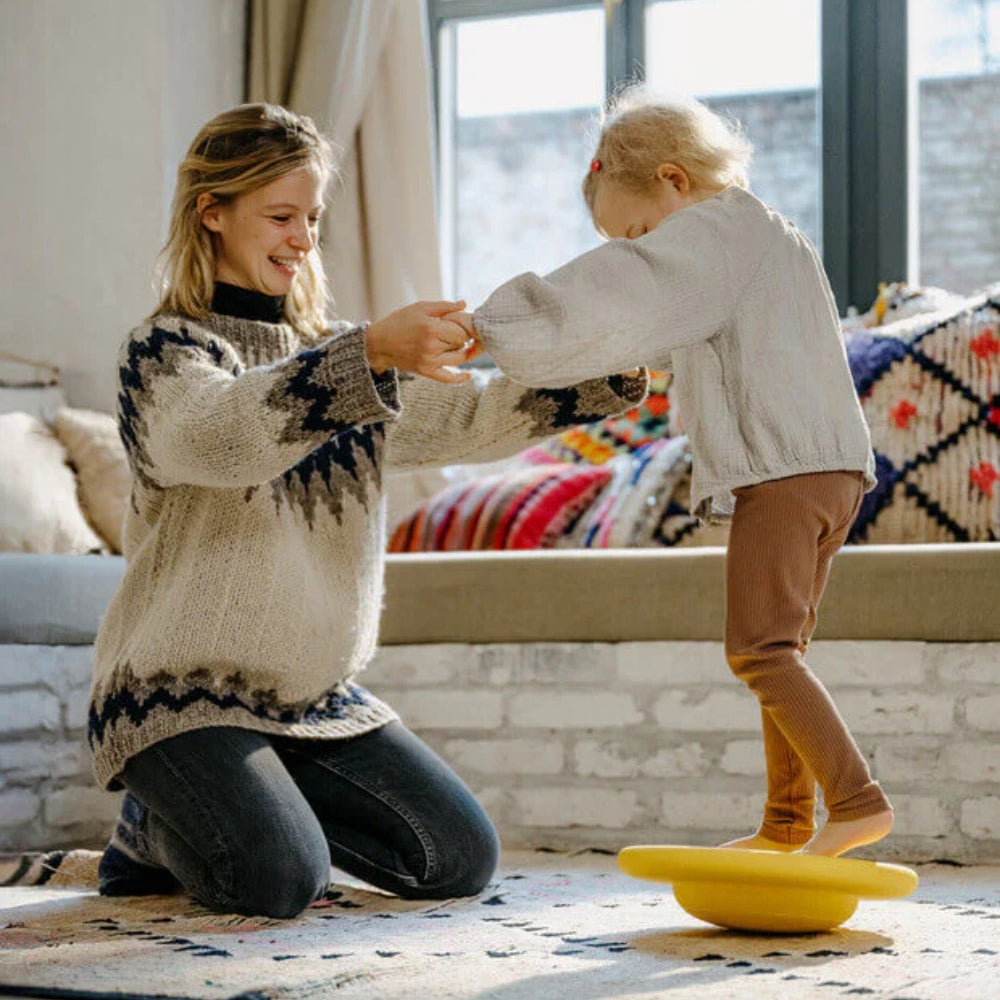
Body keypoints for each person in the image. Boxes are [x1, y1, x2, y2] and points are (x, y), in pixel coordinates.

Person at [90, 102, 649, 918]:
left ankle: (242, 809)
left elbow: (470, 416)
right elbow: (221, 438)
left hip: (312, 701)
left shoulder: (343, 357)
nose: (302, 238)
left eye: (312, 217)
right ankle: (151, 827)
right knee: (277, 881)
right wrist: (373, 353)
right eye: (281, 216)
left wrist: (611, 375)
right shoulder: (165, 352)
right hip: (177, 695)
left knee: (456, 857)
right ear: (212, 211)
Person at [460, 88, 894, 858]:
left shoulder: (713, 233)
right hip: (833, 471)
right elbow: (676, 333)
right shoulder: (765, 238)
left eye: (637, 234)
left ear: (674, 180)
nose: (641, 251)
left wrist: (491, 328)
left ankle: (858, 801)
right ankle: (786, 823)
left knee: (757, 650)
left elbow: (619, 291)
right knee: (781, 653)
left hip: (785, 472)